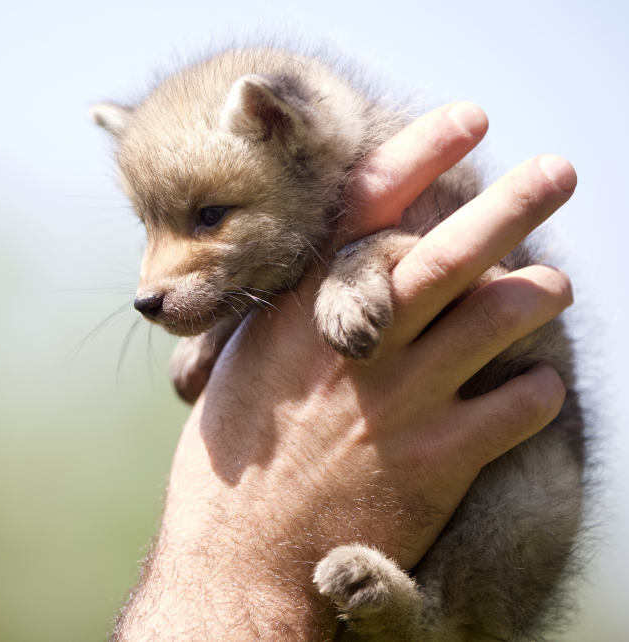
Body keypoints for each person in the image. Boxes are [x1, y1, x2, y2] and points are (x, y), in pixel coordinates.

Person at [111, 103, 578, 641]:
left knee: (534, 491)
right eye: (149, 224)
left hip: (496, 514)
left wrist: (364, 260)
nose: (148, 282)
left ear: (281, 130)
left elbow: (469, 288)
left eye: (209, 217)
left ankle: (432, 620)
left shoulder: (417, 189)